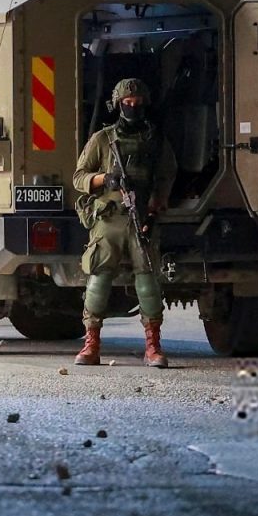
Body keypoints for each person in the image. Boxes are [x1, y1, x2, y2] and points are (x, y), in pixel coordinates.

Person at [71, 77, 176, 368]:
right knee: (99, 279)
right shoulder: (103, 139)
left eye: (138, 103)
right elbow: (79, 177)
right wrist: (104, 179)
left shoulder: (155, 139)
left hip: (142, 218)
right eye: (127, 103)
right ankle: (91, 344)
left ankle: (153, 346)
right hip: (110, 217)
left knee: (148, 281)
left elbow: (166, 175)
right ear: (118, 105)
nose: (133, 107)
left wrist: (154, 209)